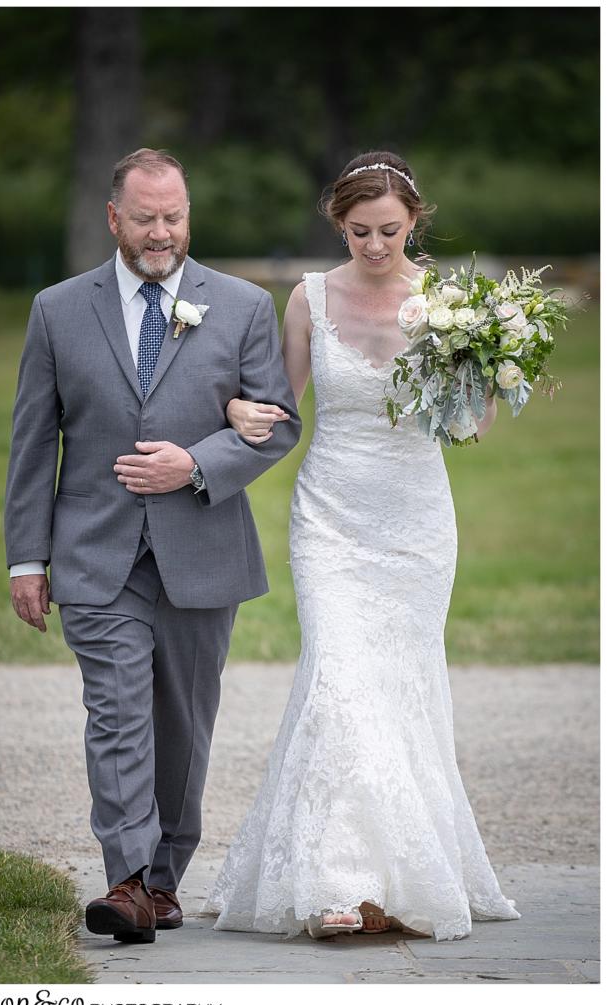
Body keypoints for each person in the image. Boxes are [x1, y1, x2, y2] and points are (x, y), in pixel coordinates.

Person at [204, 151, 521, 941]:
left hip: (414, 522)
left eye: (387, 230)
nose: (373, 245)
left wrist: (486, 364)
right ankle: (338, 881)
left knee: (401, 688)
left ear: (414, 221)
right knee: (339, 679)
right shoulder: (309, 297)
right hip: (331, 521)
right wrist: (240, 414)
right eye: (357, 231)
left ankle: (395, 878)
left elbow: (465, 430)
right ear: (335, 224)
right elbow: (280, 405)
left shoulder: (451, 304)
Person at [5, 148, 301, 944]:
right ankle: (127, 881)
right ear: (115, 220)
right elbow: (34, 443)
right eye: (145, 218)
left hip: (201, 550)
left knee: (182, 724)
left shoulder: (240, 306)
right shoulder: (58, 309)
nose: (162, 231)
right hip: (95, 554)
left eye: (174, 216)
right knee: (116, 715)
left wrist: (195, 463)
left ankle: (164, 878)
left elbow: (278, 424)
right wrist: (26, 559)